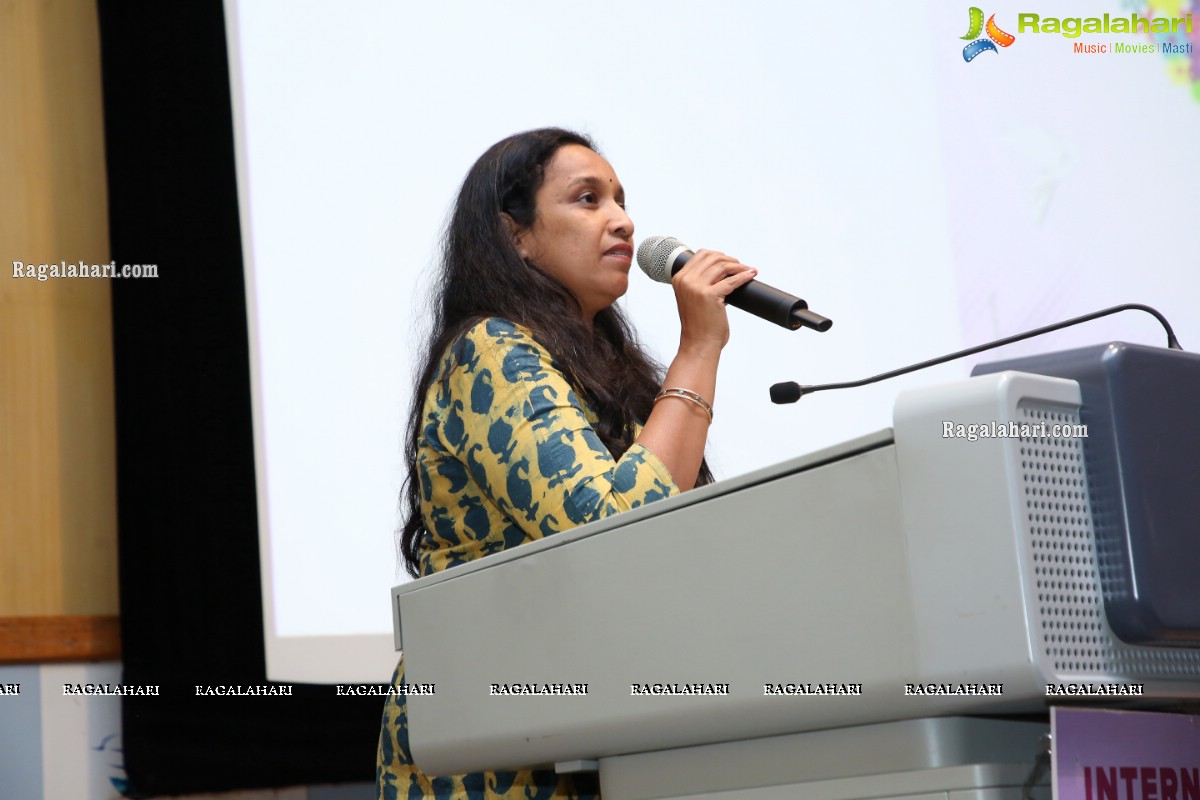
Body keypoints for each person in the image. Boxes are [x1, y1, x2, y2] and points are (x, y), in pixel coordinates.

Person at [376, 127, 756, 799]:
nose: (623, 220)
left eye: (620, 199)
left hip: (602, 730)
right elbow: (613, 529)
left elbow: (674, 542)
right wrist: (698, 348)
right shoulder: (490, 351)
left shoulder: (611, 372)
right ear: (515, 235)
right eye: (588, 199)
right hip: (500, 751)